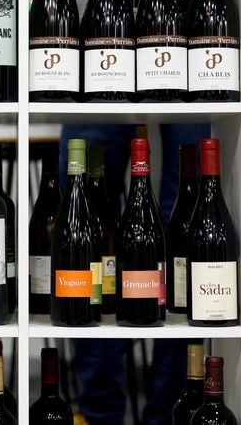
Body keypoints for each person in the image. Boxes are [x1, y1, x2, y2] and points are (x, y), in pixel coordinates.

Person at [60, 122, 209, 425]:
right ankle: (102, 416)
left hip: (184, 92)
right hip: (101, 96)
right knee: (84, 214)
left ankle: (171, 414)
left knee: (186, 213)